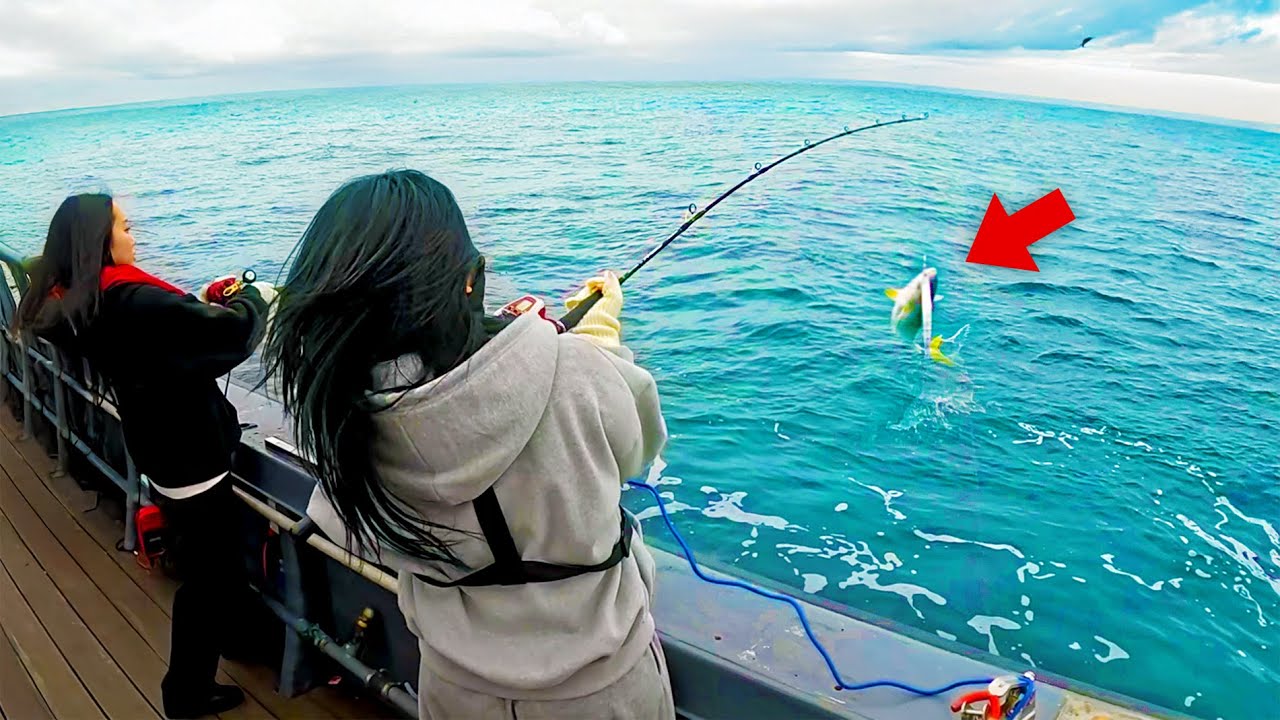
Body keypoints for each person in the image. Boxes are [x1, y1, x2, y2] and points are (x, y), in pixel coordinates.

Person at [262, 169, 676, 719]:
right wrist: (599, 339)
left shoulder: (342, 418)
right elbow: (639, 446)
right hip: (603, 693)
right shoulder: (575, 370)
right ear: (470, 280)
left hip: (453, 691)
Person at [14, 193, 275, 719]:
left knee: (215, 564)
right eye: (126, 228)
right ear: (100, 241)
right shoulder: (131, 302)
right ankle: (186, 694)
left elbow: (166, 334)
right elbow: (227, 335)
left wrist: (198, 302)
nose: (134, 238)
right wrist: (255, 299)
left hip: (157, 446)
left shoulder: (85, 302)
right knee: (208, 580)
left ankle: (238, 639)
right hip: (192, 455)